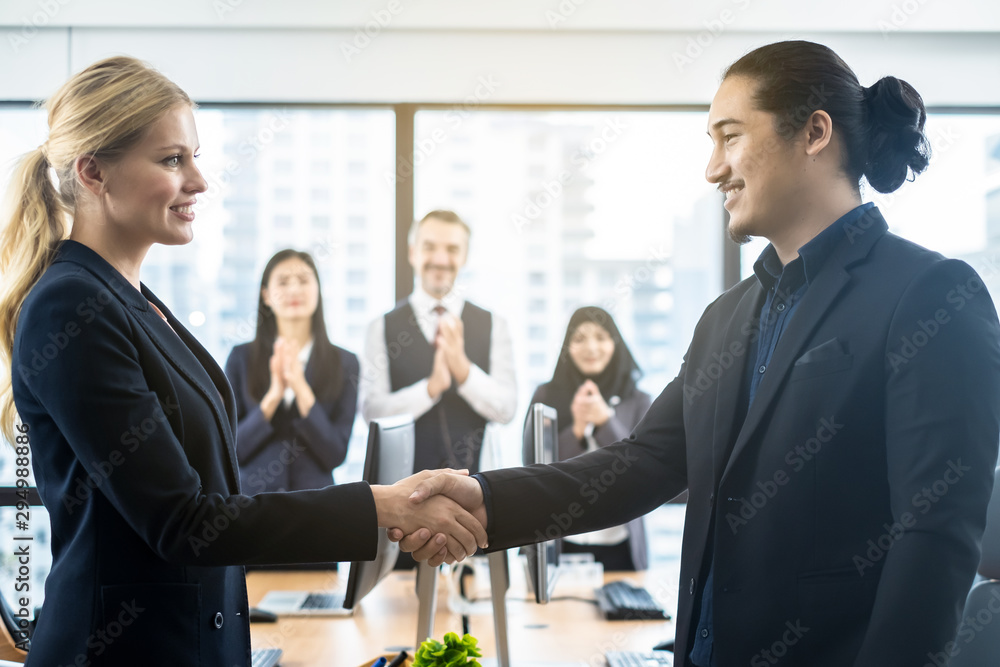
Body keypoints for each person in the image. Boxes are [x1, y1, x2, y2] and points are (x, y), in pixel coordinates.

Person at [397, 40, 1000, 667]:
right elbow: (642, 463)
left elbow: (934, 538)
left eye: (730, 137)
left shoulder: (931, 295)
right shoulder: (727, 317)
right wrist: (483, 498)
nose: (713, 169)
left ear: (814, 133)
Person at [0, 56, 484, 666]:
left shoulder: (136, 302)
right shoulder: (72, 305)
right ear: (94, 172)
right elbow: (181, 520)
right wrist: (375, 505)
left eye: (194, 156)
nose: (199, 181)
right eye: (173, 159)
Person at [360, 210, 516, 474]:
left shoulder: (494, 324)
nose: (441, 259)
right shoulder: (381, 327)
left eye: (452, 249)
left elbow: (506, 409)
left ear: (465, 256)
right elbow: (371, 412)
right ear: (412, 253)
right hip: (403, 489)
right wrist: (430, 389)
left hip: (475, 486)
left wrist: (463, 370)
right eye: (429, 247)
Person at [526, 306, 651, 571]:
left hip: (620, 545)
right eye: (579, 338)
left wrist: (606, 421)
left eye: (600, 337)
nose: (590, 347)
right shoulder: (545, 397)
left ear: (615, 343)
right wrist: (577, 429)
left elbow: (642, 468)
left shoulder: (639, 400)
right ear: (567, 347)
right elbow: (534, 470)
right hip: (560, 541)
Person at [225, 249, 358, 494]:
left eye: (304, 281)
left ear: (318, 290)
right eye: (283, 282)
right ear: (266, 295)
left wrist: (300, 388)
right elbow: (231, 450)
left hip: (318, 505)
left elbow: (335, 453)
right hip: (253, 506)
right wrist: (273, 396)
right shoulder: (240, 358)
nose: (294, 290)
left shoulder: (345, 362)